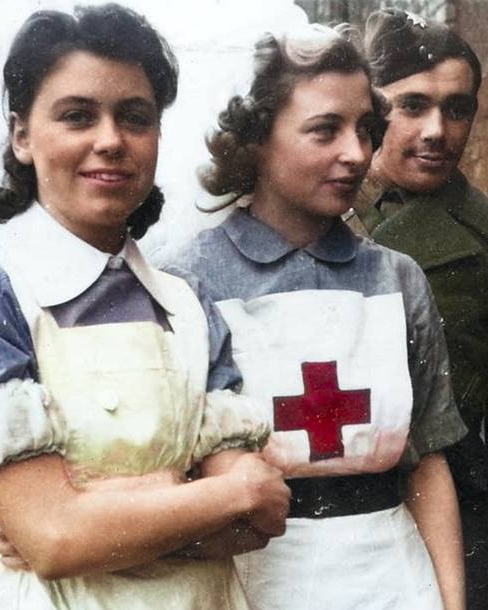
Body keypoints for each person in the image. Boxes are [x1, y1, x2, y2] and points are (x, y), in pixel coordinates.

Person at [0, 5, 290, 609]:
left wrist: (94, 515)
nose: (110, 141)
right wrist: (212, 493)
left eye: (135, 117)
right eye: (78, 115)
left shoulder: (186, 305)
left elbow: (254, 524)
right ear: (22, 135)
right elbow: (55, 539)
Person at [163, 24, 467, 610]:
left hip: (393, 577)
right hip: (252, 575)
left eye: (365, 130)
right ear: (256, 139)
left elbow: (427, 461)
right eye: (325, 130)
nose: (355, 153)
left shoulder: (397, 279)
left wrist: (451, 602)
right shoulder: (187, 282)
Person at [347, 9, 488, 608]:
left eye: (458, 108)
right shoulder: (311, 213)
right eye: (412, 105)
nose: (438, 130)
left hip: (453, 526)